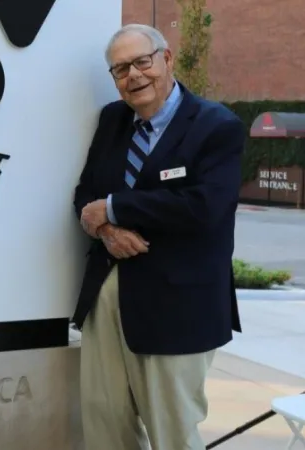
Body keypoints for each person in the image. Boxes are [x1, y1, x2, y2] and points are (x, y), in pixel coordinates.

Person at [72, 23, 244, 450]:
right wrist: (107, 228)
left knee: (172, 430)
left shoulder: (216, 126)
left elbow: (204, 207)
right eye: (120, 69)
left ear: (166, 59)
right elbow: (86, 194)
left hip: (179, 306)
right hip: (108, 293)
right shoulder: (113, 120)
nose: (133, 76)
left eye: (142, 62)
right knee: (104, 423)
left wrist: (115, 208)